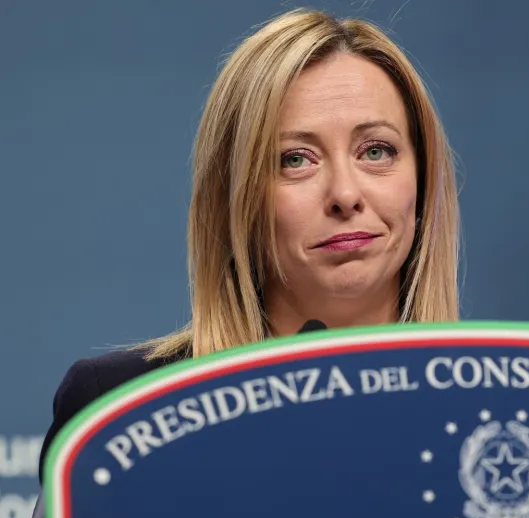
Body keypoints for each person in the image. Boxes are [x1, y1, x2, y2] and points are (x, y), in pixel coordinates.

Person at [34, 8, 461, 487]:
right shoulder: (118, 412)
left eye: (376, 151)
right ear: (237, 201)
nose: (345, 194)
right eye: (295, 159)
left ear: (423, 183)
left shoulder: (499, 404)